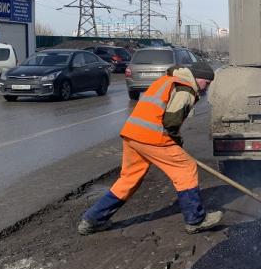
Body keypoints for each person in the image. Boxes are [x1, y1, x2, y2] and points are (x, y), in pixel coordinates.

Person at [78, 61, 223, 236]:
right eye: (206, 83)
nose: (205, 88)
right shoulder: (185, 89)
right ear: (199, 78)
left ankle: (92, 220)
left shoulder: (166, 81)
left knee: (128, 180)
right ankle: (196, 220)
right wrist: (176, 143)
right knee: (185, 168)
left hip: (132, 134)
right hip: (152, 137)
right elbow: (171, 122)